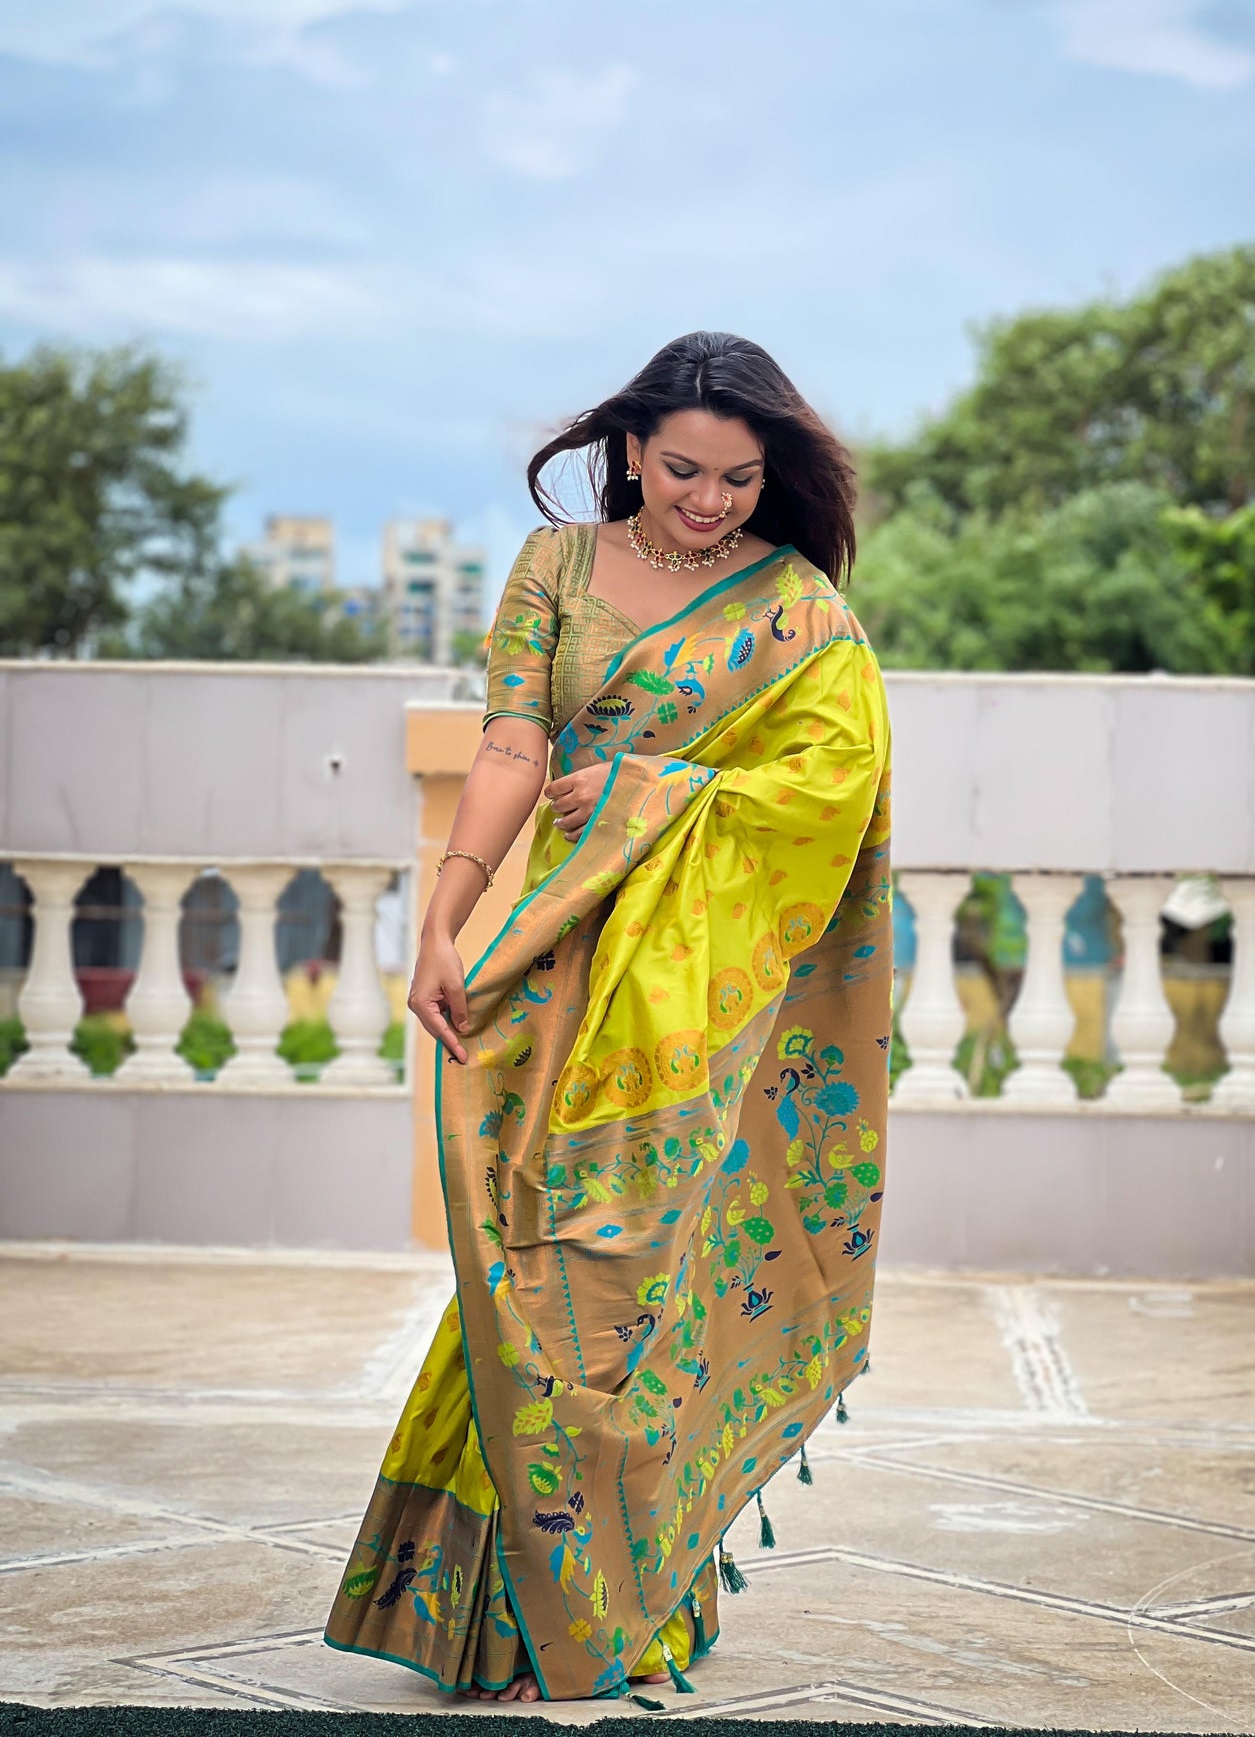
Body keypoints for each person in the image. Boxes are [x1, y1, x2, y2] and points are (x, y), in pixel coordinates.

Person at [325, 330, 893, 1704]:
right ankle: (487, 1613)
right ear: (629, 448)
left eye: (740, 481)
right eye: (684, 470)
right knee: (522, 1266)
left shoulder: (795, 608)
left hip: (691, 999)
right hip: (555, 960)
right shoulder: (556, 569)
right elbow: (512, 742)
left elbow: (834, 784)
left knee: (624, 1280)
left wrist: (663, 793)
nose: (707, 502)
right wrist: (446, 919)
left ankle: (596, 1613)